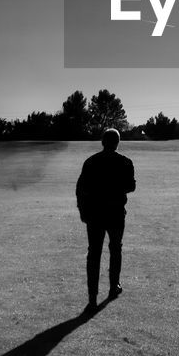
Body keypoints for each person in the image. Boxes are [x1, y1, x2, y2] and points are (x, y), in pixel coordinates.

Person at [75, 128, 136, 312]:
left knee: (94, 253)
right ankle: (113, 286)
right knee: (115, 248)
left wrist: (82, 211)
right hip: (116, 213)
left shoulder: (91, 162)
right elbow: (131, 187)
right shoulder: (125, 162)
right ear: (117, 142)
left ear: (102, 142)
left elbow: (80, 189)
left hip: (94, 214)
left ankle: (92, 297)